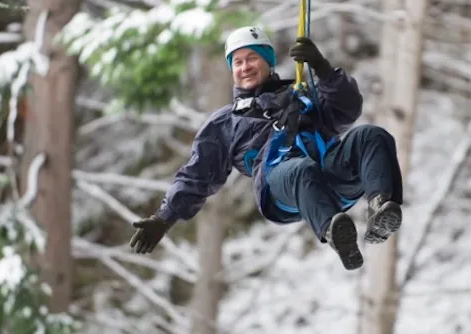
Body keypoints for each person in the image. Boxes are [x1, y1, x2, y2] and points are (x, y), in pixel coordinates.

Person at [128, 26, 404, 270]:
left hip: (329, 170)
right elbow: (197, 175)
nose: (245, 67)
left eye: (252, 58)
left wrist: (322, 68)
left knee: (372, 135)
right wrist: (164, 218)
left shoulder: (301, 93)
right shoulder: (225, 123)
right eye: (237, 62)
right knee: (301, 170)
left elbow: (347, 109)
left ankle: (380, 207)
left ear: (268, 62)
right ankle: (335, 232)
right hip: (280, 187)